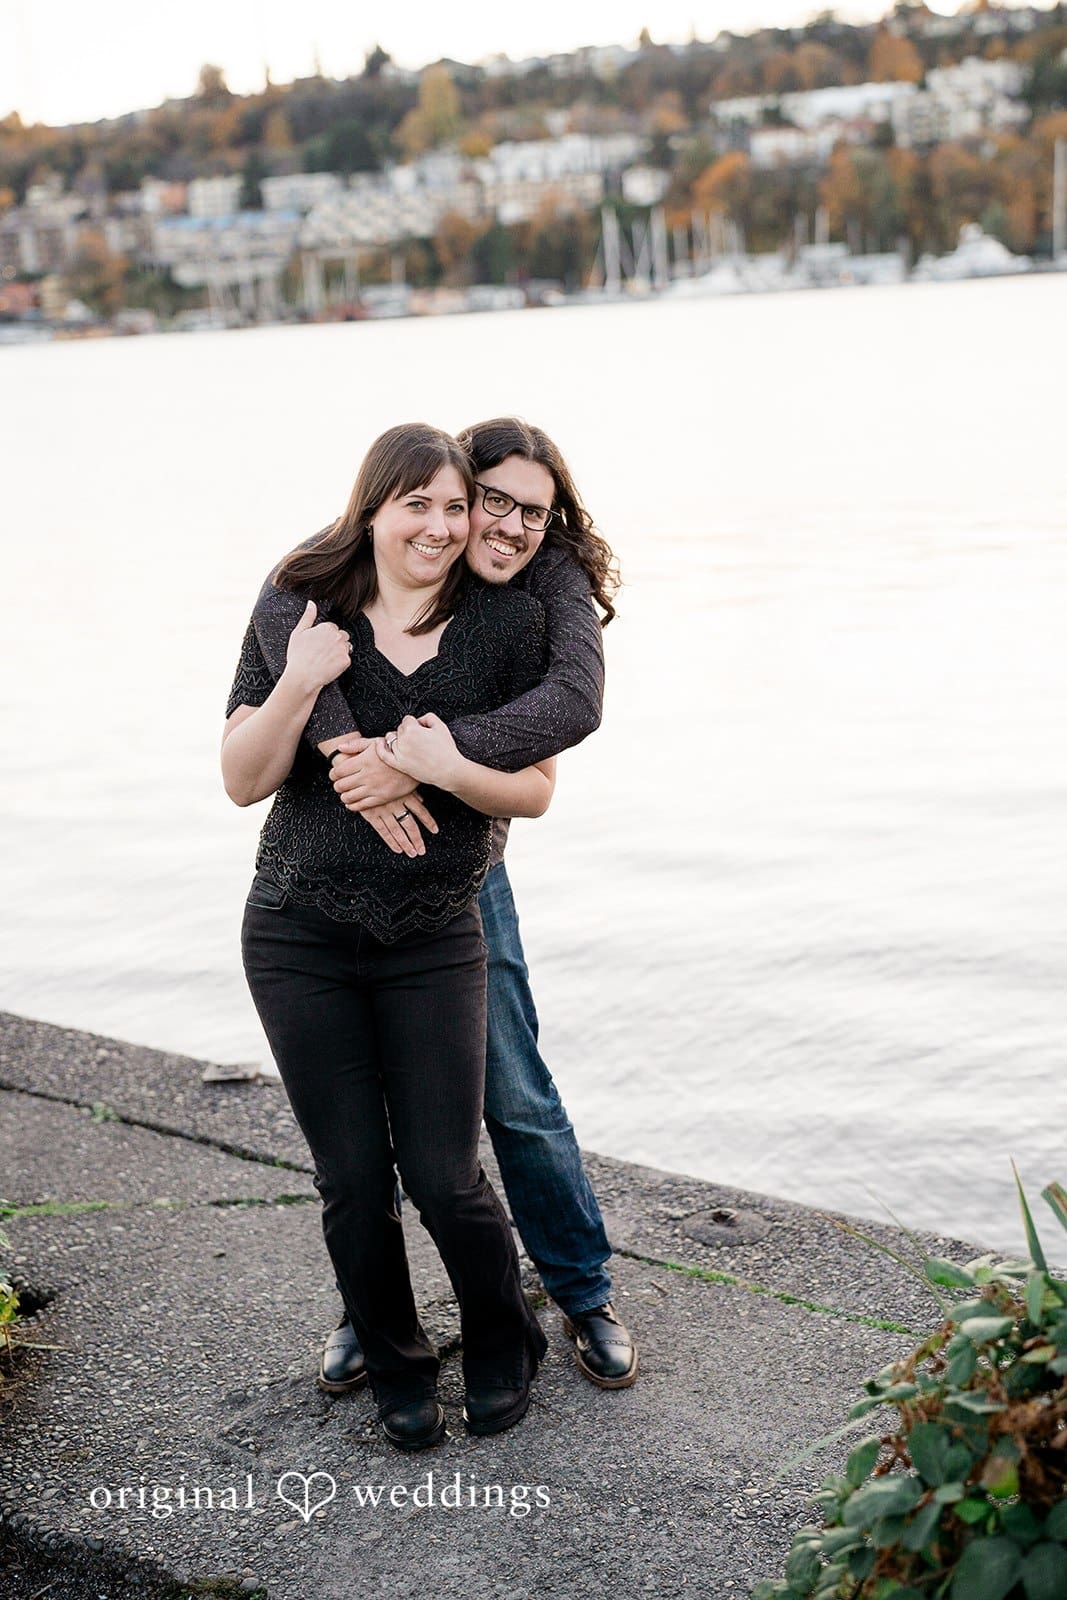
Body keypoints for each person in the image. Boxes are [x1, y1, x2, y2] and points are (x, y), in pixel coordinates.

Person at [260, 418, 638, 1393]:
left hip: (467, 864)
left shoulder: (543, 578)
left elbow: (572, 704)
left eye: (531, 510)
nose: (505, 526)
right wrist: (352, 752)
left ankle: (579, 1285)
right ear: (452, 492)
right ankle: (368, 1307)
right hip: (345, 871)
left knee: (507, 1085)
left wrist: (429, 758)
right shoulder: (407, 534)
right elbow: (288, 590)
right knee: (364, 1104)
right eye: (489, 503)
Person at [222, 422, 558, 1451]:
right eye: (419, 504)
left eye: (456, 507)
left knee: (445, 1174)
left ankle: (504, 1340)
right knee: (352, 1179)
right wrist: (298, 681)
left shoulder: (499, 628)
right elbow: (241, 779)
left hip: (431, 937)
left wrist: (435, 764)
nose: (442, 525)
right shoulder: (304, 612)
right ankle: (396, 1361)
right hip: (297, 932)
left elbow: (536, 790)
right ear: (372, 508)